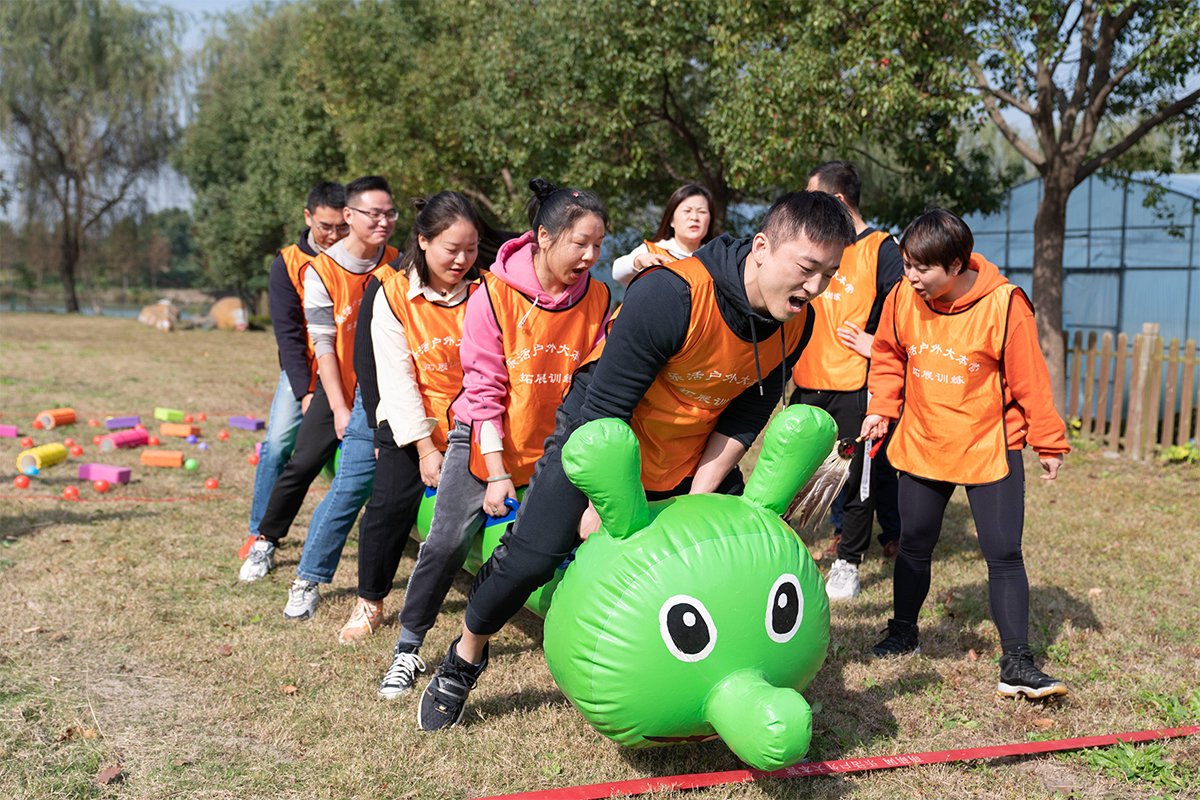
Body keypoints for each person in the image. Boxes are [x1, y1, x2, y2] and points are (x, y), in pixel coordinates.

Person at [415, 190, 856, 731]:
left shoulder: (797, 321)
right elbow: (606, 407)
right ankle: (464, 656)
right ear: (761, 248)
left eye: (829, 275)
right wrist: (601, 502)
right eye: (807, 269)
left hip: (689, 449)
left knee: (725, 553)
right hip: (600, 439)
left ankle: (716, 672)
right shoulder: (670, 294)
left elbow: (748, 411)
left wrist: (699, 501)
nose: (815, 288)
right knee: (529, 561)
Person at [377, 178, 611, 700]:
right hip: (485, 437)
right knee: (446, 541)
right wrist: (498, 472)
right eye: (581, 244)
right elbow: (483, 393)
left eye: (599, 245)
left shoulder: (597, 297)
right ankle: (408, 648)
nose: (591, 256)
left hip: (555, 442)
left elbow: (598, 383)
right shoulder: (494, 294)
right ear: (544, 237)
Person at [861, 208, 1070, 699]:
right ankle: (903, 632)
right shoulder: (902, 297)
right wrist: (882, 408)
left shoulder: (1004, 304)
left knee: (1004, 552)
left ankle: (1016, 662)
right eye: (906, 265)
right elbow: (888, 355)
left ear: (956, 265)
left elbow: (1030, 379)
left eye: (922, 268)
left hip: (987, 444)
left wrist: (1048, 440)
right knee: (914, 542)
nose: (911, 277)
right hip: (924, 438)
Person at [239, 176, 400, 623]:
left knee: (358, 480)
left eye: (390, 213)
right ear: (350, 215)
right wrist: (332, 404)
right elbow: (319, 346)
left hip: (385, 390)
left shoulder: (398, 261)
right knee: (301, 461)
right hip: (337, 386)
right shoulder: (318, 270)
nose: (384, 221)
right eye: (374, 214)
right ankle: (265, 540)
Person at [338, 192, 484, 644]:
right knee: (389, 504)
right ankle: (370, 600)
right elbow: (396, 380)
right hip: (409, 420)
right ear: (423, 241)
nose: (462, 260)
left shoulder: (486, 291)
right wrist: (424, 448)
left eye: (472, 249)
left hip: (471, 420)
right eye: (452, 249)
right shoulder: (393, 292)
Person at [789, 161, 903, 600]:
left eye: (812, 195)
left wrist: (879, 344)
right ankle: (786, 551)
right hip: (806, 382)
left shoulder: (881, 249)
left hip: (855, 387)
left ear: (836, 200)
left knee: (857, 479)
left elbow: (908, 311)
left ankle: (848, 564)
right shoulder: (812, 244)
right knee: (798, 473)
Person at [244, 183, 348, 555]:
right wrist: (305, 391)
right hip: (303, 370)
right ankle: (259, 532)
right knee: (277, 444)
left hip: (349, 372)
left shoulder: (366, 258)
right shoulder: (287, 263)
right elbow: (288, 338)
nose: (334, 235)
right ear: (307, 218)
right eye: (325, 227)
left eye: (342, 227)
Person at [611, 184, 713, 287]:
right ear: (671, 220)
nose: (694, 217)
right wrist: (638, 261)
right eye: (687, 211)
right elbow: (617, 273)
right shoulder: (652, 252)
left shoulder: (715, 257)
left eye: (702, 211)